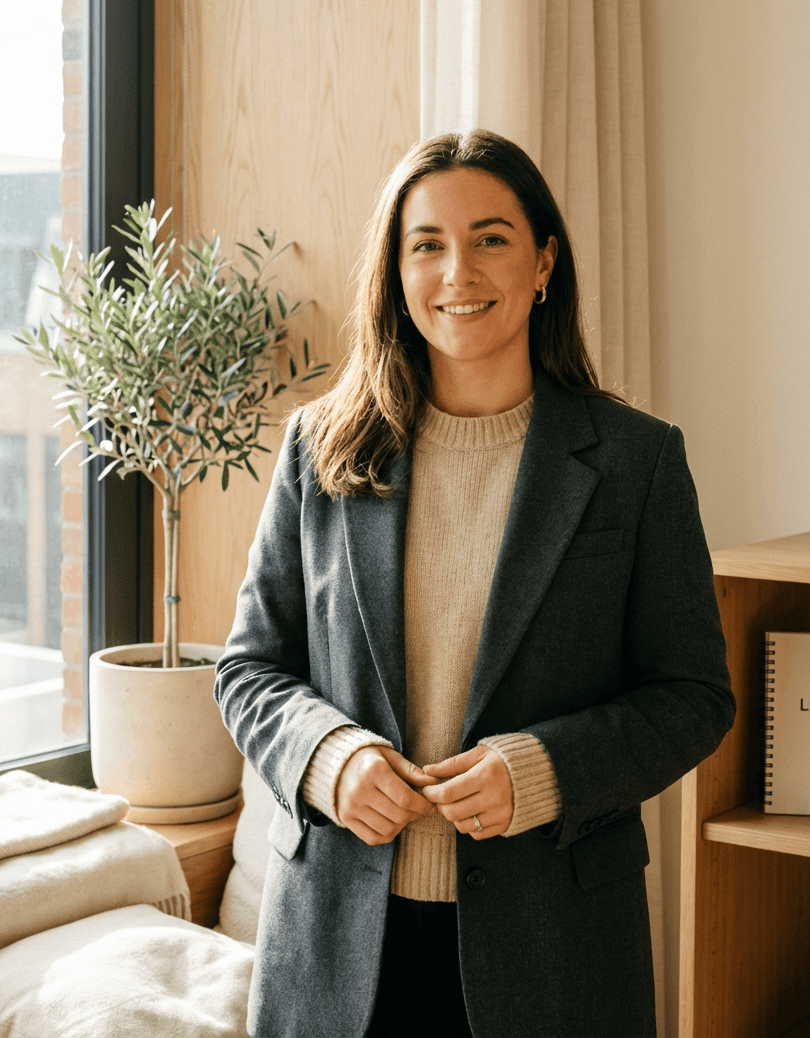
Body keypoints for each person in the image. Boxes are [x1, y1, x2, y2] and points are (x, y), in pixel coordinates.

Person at [215, 129, 735, 1038]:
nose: (459, 269)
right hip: (339, 949)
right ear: (397, 271)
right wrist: (329, 759)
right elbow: (249, 672)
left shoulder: (636, 461)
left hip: (557, 953)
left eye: (491, 237)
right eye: (428, 244)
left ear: (543, 263)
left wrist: (540, 771)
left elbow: (693, 696)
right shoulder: (318, 449)